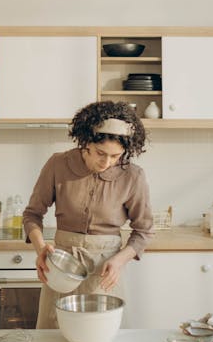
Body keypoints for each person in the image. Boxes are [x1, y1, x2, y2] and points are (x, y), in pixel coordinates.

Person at [23, 100, 154, 328]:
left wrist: (119, 260)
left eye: (116, 156)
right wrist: (40, 248)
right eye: (100, 153)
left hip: (104, 271)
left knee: (100, 341)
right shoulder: (58, 164)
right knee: (54, 339)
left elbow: (143, 231)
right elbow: (32, 214)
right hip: (61, 269)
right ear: (85, 143)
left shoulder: (133, 176)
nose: (107, 162)